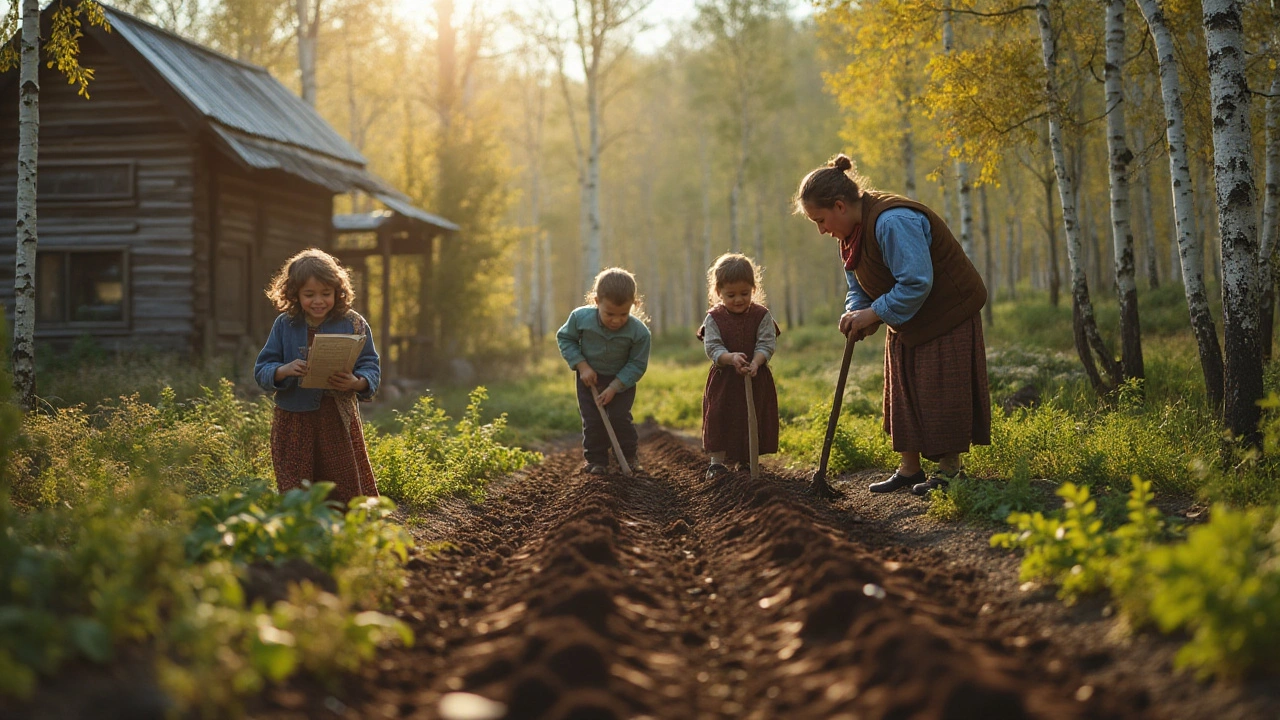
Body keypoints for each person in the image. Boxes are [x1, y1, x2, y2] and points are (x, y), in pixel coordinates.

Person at [794, 154, 990, 497]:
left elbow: (916, 282)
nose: (821, 230)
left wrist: (874, 314)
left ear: (840, 206)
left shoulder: (892, 221)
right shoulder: (849, 235)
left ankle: (949, 473)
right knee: (905, 391)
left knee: (940, 391)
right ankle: (909, 470)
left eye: (820, 220)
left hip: (947, 312)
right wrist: (857, 312)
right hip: (907, 315)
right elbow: (857, 284)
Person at [254, 248, 380, 505]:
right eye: (309, 295)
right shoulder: (284, 325)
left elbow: (370, 364)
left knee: (341, 484)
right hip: (293, 420)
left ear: (337, 291)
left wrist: (358, 382)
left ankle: (344, 536)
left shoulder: (353, 323)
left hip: (336, 417)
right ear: (295, 294)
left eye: (326, 293)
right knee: (295, 485)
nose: (318, 301)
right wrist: (284, 370)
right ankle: (303, 536)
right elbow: (262, 369)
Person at [556, 268, 652, 475]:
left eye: (623, 314)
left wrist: (615, 387)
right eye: (609, 314)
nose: (616, 320)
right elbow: (566, 338)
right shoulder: (579, 318)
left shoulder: (639, 332)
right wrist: (582, 365)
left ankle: (628, 457)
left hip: (622, 381)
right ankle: (596, 461)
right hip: (589, 377)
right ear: (596, 301)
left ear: (634, 305)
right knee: (592, 420)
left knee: (619, 417)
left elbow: (637, 364)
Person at [698, 253, 780, 479]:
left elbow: (767, 342)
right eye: (730, 295)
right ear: (718, 292)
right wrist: (730, 358)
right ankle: (716, 463)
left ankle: (747, 460)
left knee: (750, 416)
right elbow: (712, 346)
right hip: (724, 379)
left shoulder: (762, 315)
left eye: (744, 293)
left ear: (753, 289)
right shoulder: (713, 318)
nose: (738, 300)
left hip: (755, 377)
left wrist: (756, 361)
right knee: (720, 416)